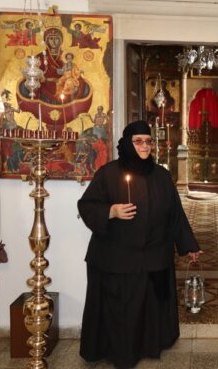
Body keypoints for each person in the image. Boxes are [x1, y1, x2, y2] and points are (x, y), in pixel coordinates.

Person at [77, 120, 201, 368]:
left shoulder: (162, 175)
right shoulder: (108, 173)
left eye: (148, 141)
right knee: (122, 310)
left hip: (154, 257)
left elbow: (175, 214)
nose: (144, 146)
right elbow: (86, 205)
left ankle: (149, 345)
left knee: (149, 307)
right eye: (138, 141)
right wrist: (111, 211)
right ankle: (122, 352)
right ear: (126, 144)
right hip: (117, 258)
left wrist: (188, 245)